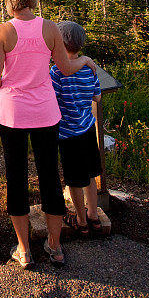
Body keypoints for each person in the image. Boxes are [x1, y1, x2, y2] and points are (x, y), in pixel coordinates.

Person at [0, 0, 97, 268]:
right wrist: (85, 61)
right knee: (50, 176)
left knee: (16, 178)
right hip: (46, 114)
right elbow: (65, 66)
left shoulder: (3, 31)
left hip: (12, 114)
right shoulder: (50, 28)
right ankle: (55, 246)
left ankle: (24, 250)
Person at [50, 21, 103, 235]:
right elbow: (97, 96)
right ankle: (94, 217)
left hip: (68, 134)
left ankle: (80, 221)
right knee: (90, 174)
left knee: (74, 180)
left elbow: (51, 99)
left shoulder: (56, 72)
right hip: (88, 128)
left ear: (59, 45)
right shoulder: (89, 68)